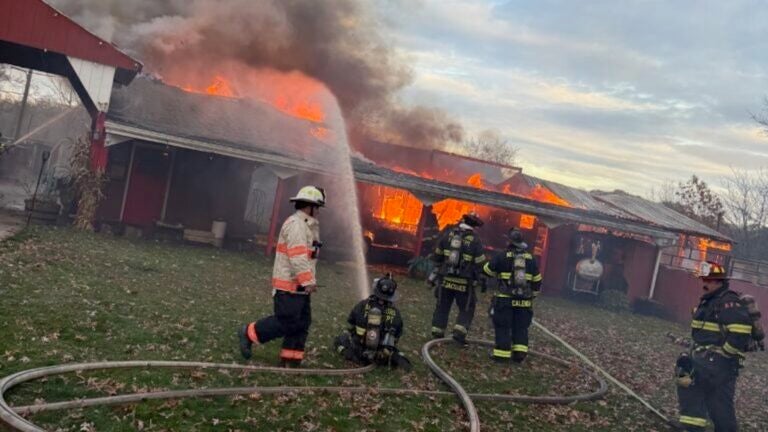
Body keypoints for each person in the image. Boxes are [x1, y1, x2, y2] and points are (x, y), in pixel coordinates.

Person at [238, 185, 325, 367]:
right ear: (310, 207)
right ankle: (249, 332)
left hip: (300, 289)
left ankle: (290, 360)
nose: (318, 212)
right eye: (317, 207)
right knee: (286, 322)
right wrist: (308, 281)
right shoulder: (297, 226)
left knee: (301, 323)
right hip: (289, 289)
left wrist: (308, 283)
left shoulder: (307, 227)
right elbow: (298, 256)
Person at [674, 261, 755, 431]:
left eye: (708, 281)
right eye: (703, 279)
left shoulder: (728, 302)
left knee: (720, 408)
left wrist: (723, 354)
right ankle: (691, 427)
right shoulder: (709, 301)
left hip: (720, 367)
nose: (704, 284)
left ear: (719, 282)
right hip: (703, 362)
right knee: (691, 392)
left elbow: (741, 331)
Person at [483, 228, 542, 363]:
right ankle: (519, 353)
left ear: (509, 242)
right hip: (524, 302)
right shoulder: (531, 259)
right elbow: (537, 280)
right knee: (521, 327)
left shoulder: (502, 255)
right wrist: (533, 295)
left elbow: (487, 271)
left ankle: (502, 355)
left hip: (505, 300)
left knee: (503, 326)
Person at [427, 213, 486, 344]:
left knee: (442, 306)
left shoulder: (448, 235)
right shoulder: (475, 240)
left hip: (445, 280)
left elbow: (437, 256)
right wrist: (481, 277)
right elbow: (480, 262)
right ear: (473, 226)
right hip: (464, 283)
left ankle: (437, 332)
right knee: (466, 308)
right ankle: (459, 334)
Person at [333, 274, 412, 370]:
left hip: (359, 350)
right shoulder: (395, 313)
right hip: (382, 355)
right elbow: (398, 335)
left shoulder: (362, 305)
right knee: (397, 356)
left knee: (340, 340)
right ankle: (393, 360)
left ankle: (351, 355)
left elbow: (351, 321)